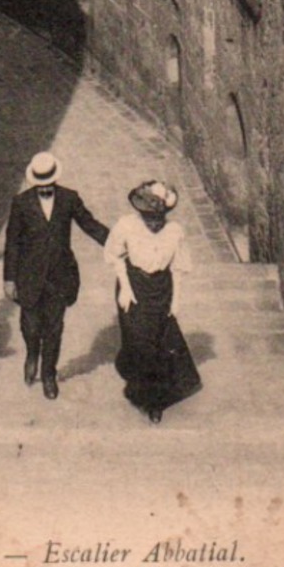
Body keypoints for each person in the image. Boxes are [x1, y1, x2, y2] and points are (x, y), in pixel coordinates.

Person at [3, 151, 109, 400]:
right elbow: (13, 243)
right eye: (42, 185)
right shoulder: (21, 203)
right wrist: (9, 278)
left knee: (54, 328)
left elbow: (89, 224)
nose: (46, 188)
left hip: (60, 277)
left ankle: (49, 374)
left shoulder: (69, 198)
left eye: (49, 184)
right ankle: (32, 354)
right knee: (30, 326)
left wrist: (117, 242)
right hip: (28, 276)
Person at [103, 180, 201, 423]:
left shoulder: (175, 232)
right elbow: (115, 256)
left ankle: (155, 400)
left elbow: (178, 268)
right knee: (139, 341)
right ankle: (145, 395)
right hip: (134, 285)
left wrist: (175, 301)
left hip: (161, 289)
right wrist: (125, 288)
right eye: (149, 218)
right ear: (141, 213)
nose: (153, 223)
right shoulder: (126, 226)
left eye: (158, 218)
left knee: (158, 344)